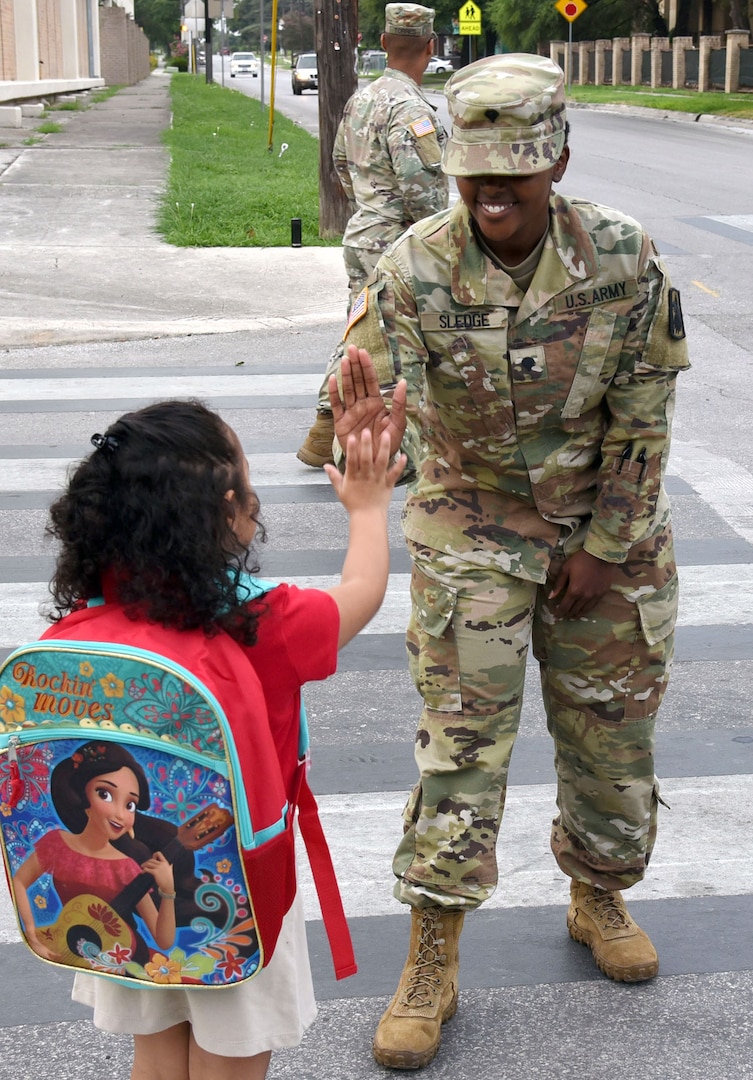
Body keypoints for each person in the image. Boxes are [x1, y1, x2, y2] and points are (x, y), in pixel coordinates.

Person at [328, 53, 690, 1070]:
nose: (491, 196)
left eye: (513, 177)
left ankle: (599, 896)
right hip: (472, 533)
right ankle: (432, 955)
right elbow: (359, 397)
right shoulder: (412, 266)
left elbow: (646, 422)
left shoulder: (625, 259)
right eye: (474, 175)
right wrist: (354, 432)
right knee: (460, 756)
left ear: (558, 162)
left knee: (612, 745)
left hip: (604, 541)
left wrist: (607, 551)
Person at [39, 391, 405, 1080]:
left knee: (155, 1051)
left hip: (129, 903)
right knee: (230, 1057)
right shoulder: (265, 623)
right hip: (240, 892)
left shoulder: (86, 620)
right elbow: (363, 587)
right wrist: (367, 504)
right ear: (229, 512)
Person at [296, 2, 448, 469]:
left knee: (364, 334)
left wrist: (370, 206)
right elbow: (424, 192)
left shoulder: (361, 100)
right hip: (398, 243)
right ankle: (338, 432)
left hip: (365, 232)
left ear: (383, 44)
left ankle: (330, 432)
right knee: (385, 341)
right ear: (432, 46)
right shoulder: (410, 108)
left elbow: (341, 166)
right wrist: (441, 238)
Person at [13, 741, 176, 964]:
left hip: (125, 956)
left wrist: (168, 891)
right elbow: (19, 881)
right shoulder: (57, 845)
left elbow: (163, 939)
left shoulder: (126, 866)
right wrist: (31, 932)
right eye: (105, 794)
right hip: (76, 948)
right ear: (83, 797)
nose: (120, 814)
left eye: (130, 805)